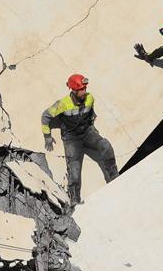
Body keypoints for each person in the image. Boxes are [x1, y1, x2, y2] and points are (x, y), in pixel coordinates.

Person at [41, 74, 118, 206]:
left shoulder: (90, 98)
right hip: (71, 138)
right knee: (75, 168)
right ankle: (75, 200)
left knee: (105, 145)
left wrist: (92, 127)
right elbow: (45, 116)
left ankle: (114, 176)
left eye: (85, 88)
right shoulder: (63, 103)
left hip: (87, 133)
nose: (84, 91)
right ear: (73, 90)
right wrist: (47, 137)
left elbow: (91, 113)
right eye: (81, 89)